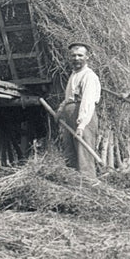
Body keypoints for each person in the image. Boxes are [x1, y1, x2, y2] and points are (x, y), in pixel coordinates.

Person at [56, 41, 101, 181]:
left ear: (87, 57)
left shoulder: (89, 76)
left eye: (80, 55)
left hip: (83, 117)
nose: (76, 59)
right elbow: (69, 97)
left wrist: (81, 125)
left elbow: (87, 101)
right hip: (70, 116)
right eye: (73, 56)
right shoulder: (74, 75)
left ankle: (88, 184)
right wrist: (60, 111)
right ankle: (75, 184)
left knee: (83, 153)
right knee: (71, 152)